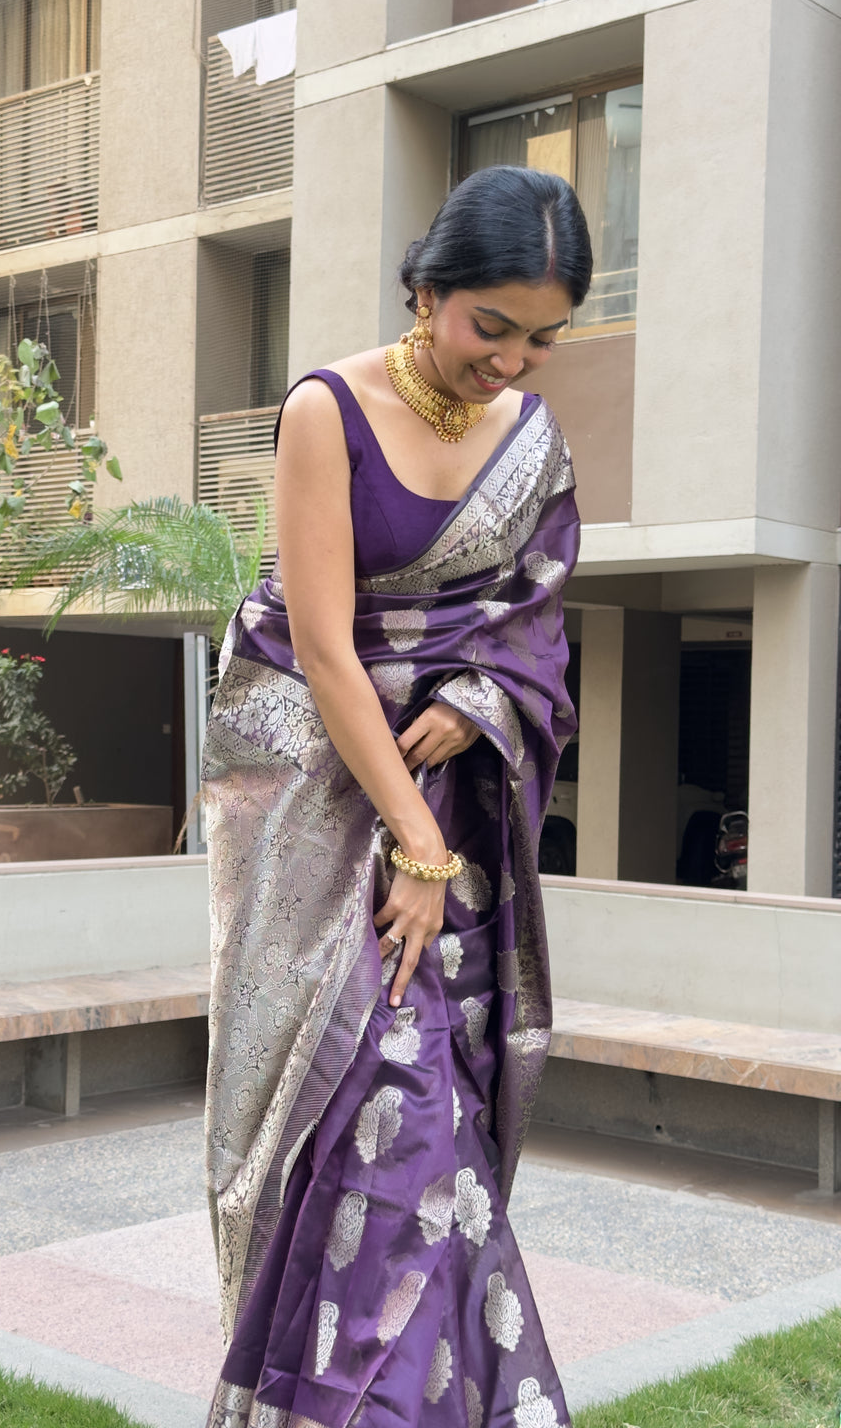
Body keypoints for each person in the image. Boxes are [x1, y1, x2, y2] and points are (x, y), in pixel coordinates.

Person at [203, 165, 590, 1428]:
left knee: (431, 1142)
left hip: (456, 807)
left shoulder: (532, 445)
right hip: (320, 802)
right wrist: (412, 846)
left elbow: (533, 626)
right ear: (426, 292)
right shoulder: (328, 409)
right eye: (492, 325)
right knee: (367, 1115)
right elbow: (319, 649)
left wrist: (479, 705)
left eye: (544, 338)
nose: (512, 362)